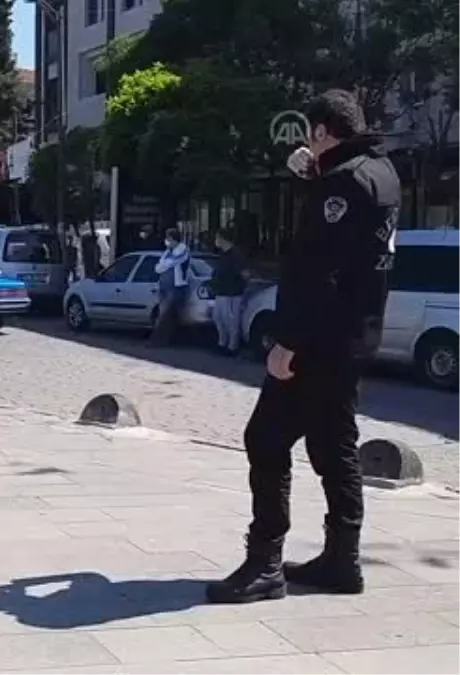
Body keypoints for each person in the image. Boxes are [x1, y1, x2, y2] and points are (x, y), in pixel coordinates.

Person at [206, 90, 400, 604]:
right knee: (334, 448)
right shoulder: (382, 174)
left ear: (320, 131)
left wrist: (287, 342)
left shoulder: (342, 182)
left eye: (309, 135)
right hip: (355, 335)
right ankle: (342, 559)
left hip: (316, 340)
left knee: (265, 440)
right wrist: (312, 172)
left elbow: (320, 272)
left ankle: (265, 562)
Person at [210, 228, 248, 356]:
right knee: (218, 318)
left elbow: (245, 273)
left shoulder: (236, 254)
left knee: (231, 320)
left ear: (222, 238)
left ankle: (232, 347)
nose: (215, 241)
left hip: (232, 293)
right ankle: (222, 343)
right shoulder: (223, 254)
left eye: (217, 238)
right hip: (221, 292)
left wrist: (240, 287)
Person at [150, 229, 191, 346]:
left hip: (175, 287)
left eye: (169, 239)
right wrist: (164, 264)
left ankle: (157, 340)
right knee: (163, 313)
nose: (167, 241)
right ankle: (163, 340)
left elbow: (170, 263)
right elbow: (158, 268)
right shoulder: (168, 251)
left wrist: (164, 264)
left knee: (165, 314)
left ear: (175, 239)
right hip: (164, 285)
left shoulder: (183, 250)